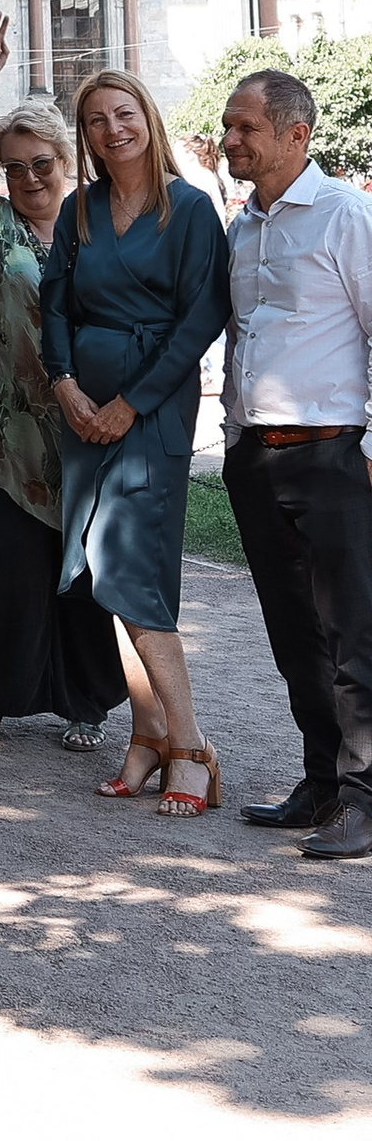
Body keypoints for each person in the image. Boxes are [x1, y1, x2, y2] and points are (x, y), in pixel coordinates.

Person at [41, 66, 234, 816]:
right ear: (84, 135)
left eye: (123, 114)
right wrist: (64, 384)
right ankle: (148, 736)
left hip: (149, 410)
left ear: (147, 119)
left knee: (135, 571)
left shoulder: (187, 210)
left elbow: (202, 318)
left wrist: (133, 402)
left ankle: (191, 746)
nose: (111, 129)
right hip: (81, 406)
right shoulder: (78, 209)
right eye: (95, 120)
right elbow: (53, 301)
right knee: (101, 568)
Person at [0, 17, 122, 750]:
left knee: (83, 573)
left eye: (42, 162)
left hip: (89, 428)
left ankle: (87, 703)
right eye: (15, 165)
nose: (30, 176)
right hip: (8, 436)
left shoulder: (98, 229)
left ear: (66, 162)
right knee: (1, 571)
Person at [215, 71, 372, 860]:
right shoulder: (244, 226)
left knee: (355, 633)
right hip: (256, 457)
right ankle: (321, 780)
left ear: (295, 134)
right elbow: (245, 336)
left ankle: (366, 796)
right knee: (292, 634)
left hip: (332, 455)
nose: (231, 140)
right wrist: (232, 428)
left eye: (245, 127)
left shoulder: (346, 215)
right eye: (228, 126)